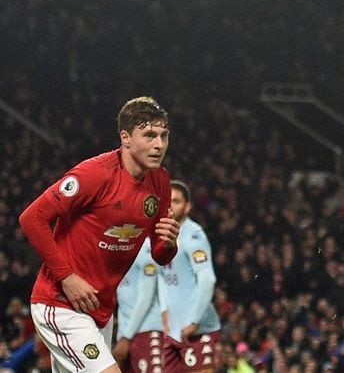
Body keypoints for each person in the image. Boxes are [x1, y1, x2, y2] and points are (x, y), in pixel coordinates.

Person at [18, 96, 180, 373]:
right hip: (59, 303)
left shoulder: (160, 181)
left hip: (100, 310)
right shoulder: (95, 174)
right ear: (125, 138)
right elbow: (32, 218)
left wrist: (169, 243)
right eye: (150, 135)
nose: (159, 144)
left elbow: (160, 255)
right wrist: (67, 277)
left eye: (164, 135)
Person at [159, 180, 221, 372]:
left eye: (176, 202)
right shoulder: (162, 234)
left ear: (187, 207)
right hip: (174, 330)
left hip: (198, 330)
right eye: (167, 201)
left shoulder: (193, 235)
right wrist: (164, 311)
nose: (170, 206)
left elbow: (207, 279)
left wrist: (194, 321)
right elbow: (162, 276)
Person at [113, 238, 165, 372]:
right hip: (127, 335)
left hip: (148, 330)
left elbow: (145, 298)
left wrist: (126, 337)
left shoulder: (147, 249)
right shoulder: (119, 246)